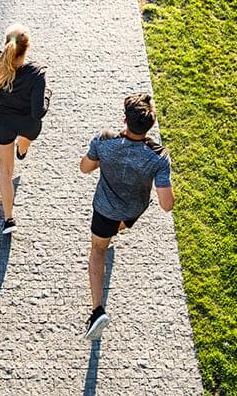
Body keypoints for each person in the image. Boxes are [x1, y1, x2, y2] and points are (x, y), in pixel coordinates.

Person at [79, 93, 175, 340]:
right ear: (150, 125)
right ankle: (115, 231)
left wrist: (105, 158)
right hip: (133, 210)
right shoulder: (159, 156)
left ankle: (97, 311)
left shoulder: (104, 140)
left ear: (125, 119)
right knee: (118, 227)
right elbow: (166, 205)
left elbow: (84, 167)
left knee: (98, 250)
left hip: (104, 209)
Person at [0, 24, 50, 234]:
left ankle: (8, 219)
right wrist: (48, 96)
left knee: (6, 170)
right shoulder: (36, 73)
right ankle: (22, 150)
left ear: (5, 44)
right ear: (27, 48)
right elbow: (38, 112)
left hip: (3, 124)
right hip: (28, 124)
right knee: (25, 141)